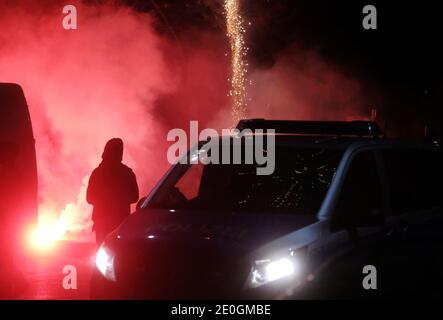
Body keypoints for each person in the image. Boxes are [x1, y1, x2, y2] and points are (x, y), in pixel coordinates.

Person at [87, 138, 139, 245]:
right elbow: (134, 197)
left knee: (102, 254)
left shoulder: (97, 173)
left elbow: (89, 198)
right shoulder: (127, 173)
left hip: (102, 223)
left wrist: (104, 201)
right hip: (120, 222)